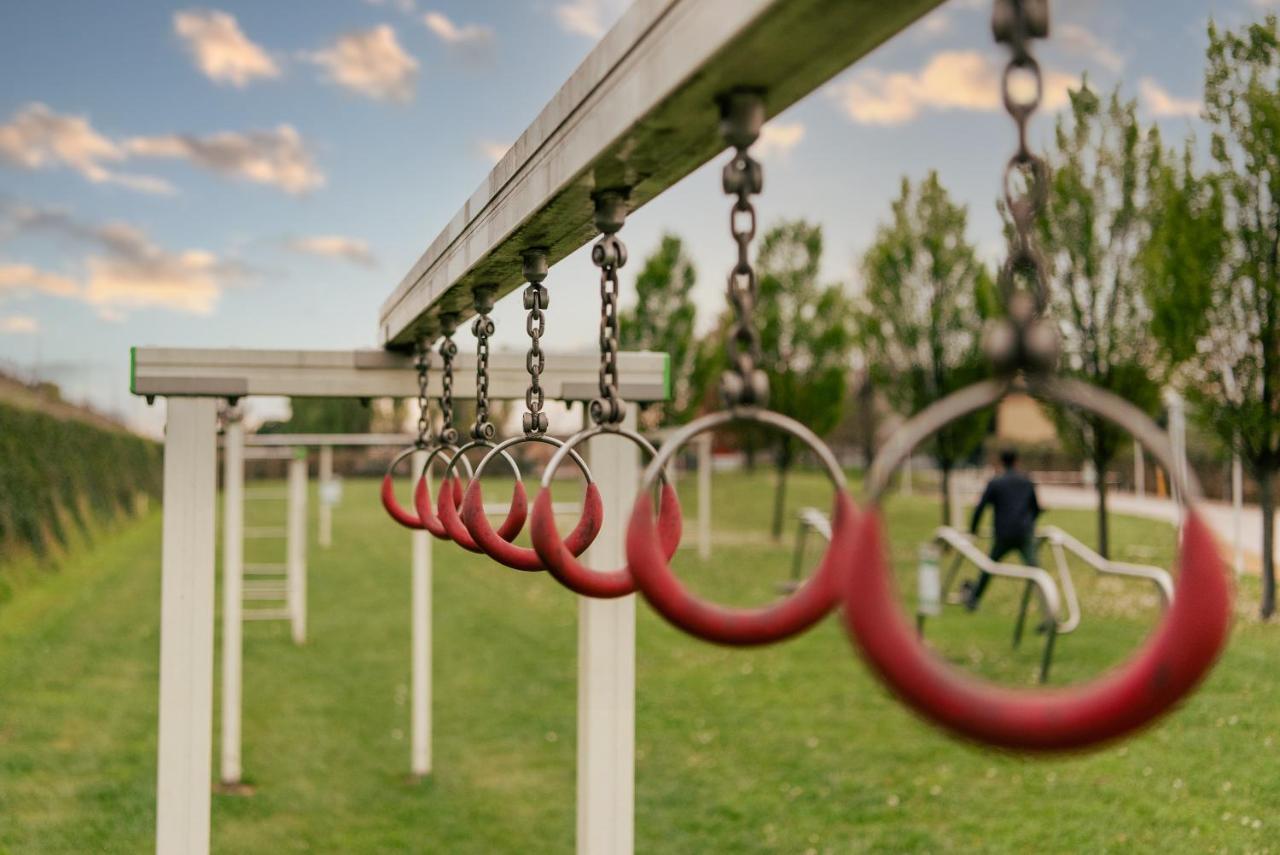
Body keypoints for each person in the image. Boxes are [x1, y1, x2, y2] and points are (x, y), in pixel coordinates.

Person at [960, 448, 1042, 610]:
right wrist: (1029, 525)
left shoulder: (996, 483)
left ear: (1001, 463)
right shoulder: (1026, 481)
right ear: (1017, 461)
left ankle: (974, 598)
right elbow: (1036, 508)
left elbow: (980, 507)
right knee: (1036, 573)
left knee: (988, 568)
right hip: (1023, 533)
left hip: (1003, 534)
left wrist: (973, 529)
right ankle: (1048, 610)